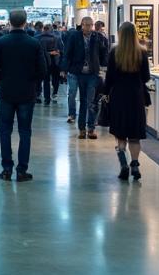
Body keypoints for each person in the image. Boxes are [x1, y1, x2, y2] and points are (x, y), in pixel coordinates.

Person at [0, 9, 47, 182]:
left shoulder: (1, 42)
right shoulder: (34, 43)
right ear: (25, 22)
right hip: (27, 93)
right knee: (25, 131)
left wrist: (0, 81)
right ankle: (22, 170)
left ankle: (6, 169)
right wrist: (33, 83)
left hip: (6, 92)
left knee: (5, 131)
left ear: (9, 22)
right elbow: (43, 70)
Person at [100, 22, 151, 181]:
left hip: (119, 96)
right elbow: (146, 77)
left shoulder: (114, 52)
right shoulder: (142, 52)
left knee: (121, 134)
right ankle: (135, 165)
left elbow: (110, 77)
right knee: (134, 135)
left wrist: (104, 93)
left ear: (120, 34)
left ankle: (123, 165)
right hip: (136, 96)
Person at [61, 16, 108, 139]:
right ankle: (82, 129)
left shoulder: (97, 37)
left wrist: (103, 67)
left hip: (93, 73)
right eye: (86, 25)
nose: (89, 28)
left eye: (91, 25)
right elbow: (67, 53)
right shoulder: (74, 36)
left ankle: (91, 128)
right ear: (82, 25)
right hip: (79, 73)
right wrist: (64, 69)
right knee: (83, 101)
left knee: (91, 101)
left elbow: (103, 52)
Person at [38, 24, 64, 105]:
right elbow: (62, 50)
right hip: (56, 61)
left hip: (44, 62)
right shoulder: (57, 38)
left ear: (44, 29)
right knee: (56, 79)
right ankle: (55, 93)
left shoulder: (39, 38)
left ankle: (47, 99)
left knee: (46, 80)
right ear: (51, 30)